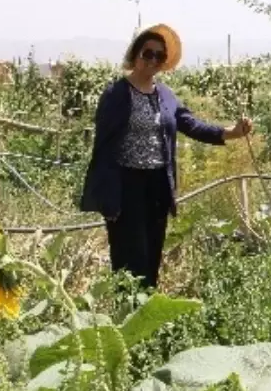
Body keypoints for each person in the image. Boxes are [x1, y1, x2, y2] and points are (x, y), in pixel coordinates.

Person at [79, 24, 253, 288]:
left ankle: (147, 319)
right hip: (126, 187)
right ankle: (127, 317)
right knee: (129, 258)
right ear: (135, 55)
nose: (152, 60)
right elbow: (103, 148)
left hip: (158, 186)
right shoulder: (116, 95)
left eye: (159, 56)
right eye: (147, 53)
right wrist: (106, 197)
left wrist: (231, 132)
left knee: (151, 255)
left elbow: (191, 125)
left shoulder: (166, 96)